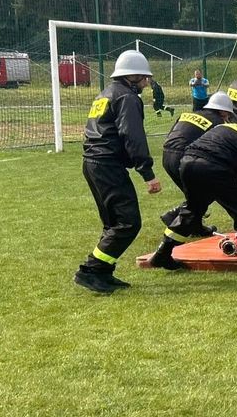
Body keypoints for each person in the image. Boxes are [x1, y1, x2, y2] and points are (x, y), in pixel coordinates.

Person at [150, 109, 237, 276]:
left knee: (192, 211)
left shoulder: (226, 126)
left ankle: (162, 253)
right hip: (215, 166)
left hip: (187, 163)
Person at [73, 50, 162, 294]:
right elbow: (133, 137)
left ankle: (103, 272)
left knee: (113, 222)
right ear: (132, 76)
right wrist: (147, 173)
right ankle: (91, 270)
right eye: (144, 77)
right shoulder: (127, 98)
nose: (146, 82)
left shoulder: (105, 94)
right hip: (108, 165)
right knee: (128, 222)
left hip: (93, 162)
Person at [158, 92, 237, 227]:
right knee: (208, 191)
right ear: (223, 111)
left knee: (197, 195)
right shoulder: (217, 123)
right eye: (228, 113)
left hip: (166, 156)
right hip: (184, 157)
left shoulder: (187, 115)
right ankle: (174, 216)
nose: (228, 117)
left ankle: (194, 226)